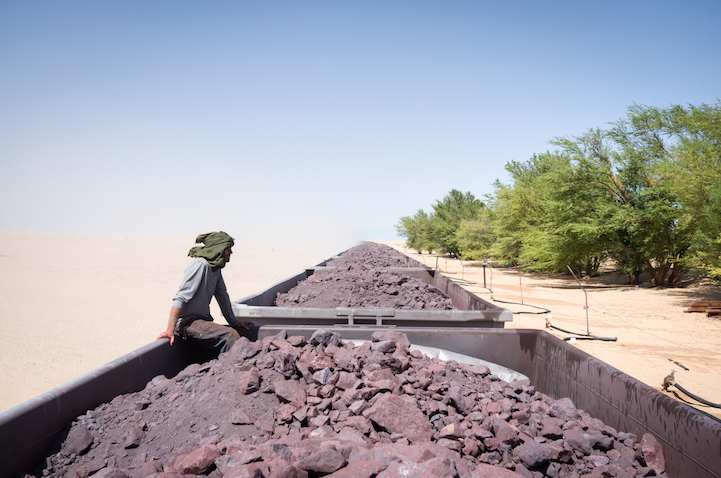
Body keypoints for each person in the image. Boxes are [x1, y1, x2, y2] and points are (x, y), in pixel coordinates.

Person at [157, 231, 252, 353]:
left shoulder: (215, 268)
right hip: (188, 322)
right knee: (230, 335)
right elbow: (180, 298)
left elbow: (222, 296)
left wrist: (234, 322)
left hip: (202, 320)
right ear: (219, 249)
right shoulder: (200, 265)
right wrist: (170, 330)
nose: (231, 252)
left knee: (233, 332)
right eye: (228, 249)